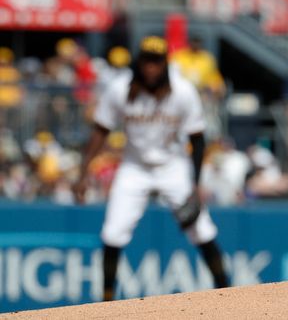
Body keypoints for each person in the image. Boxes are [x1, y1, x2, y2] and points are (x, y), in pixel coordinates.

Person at [73, 36, 229, 301]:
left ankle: (227, 292)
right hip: (134, 166)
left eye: (157, 61)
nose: (151, 67)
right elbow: (101, 130)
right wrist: (82, 173)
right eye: (147, 60)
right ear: (139, 61)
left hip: (173, 165)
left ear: (165, 63)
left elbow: (197, 138)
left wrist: (195, 184)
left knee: (201, 229)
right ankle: (106, 301)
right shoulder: (120, 89)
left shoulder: (182, 91)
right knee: (113, 232)